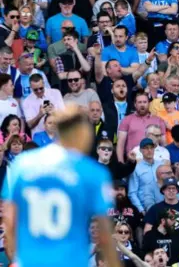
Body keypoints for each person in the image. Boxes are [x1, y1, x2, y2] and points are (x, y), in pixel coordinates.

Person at [1, 105, 120, 267]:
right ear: (83, 133)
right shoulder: (92, 172)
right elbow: (105, 233)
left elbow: (10, 222)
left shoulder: (22, 164)